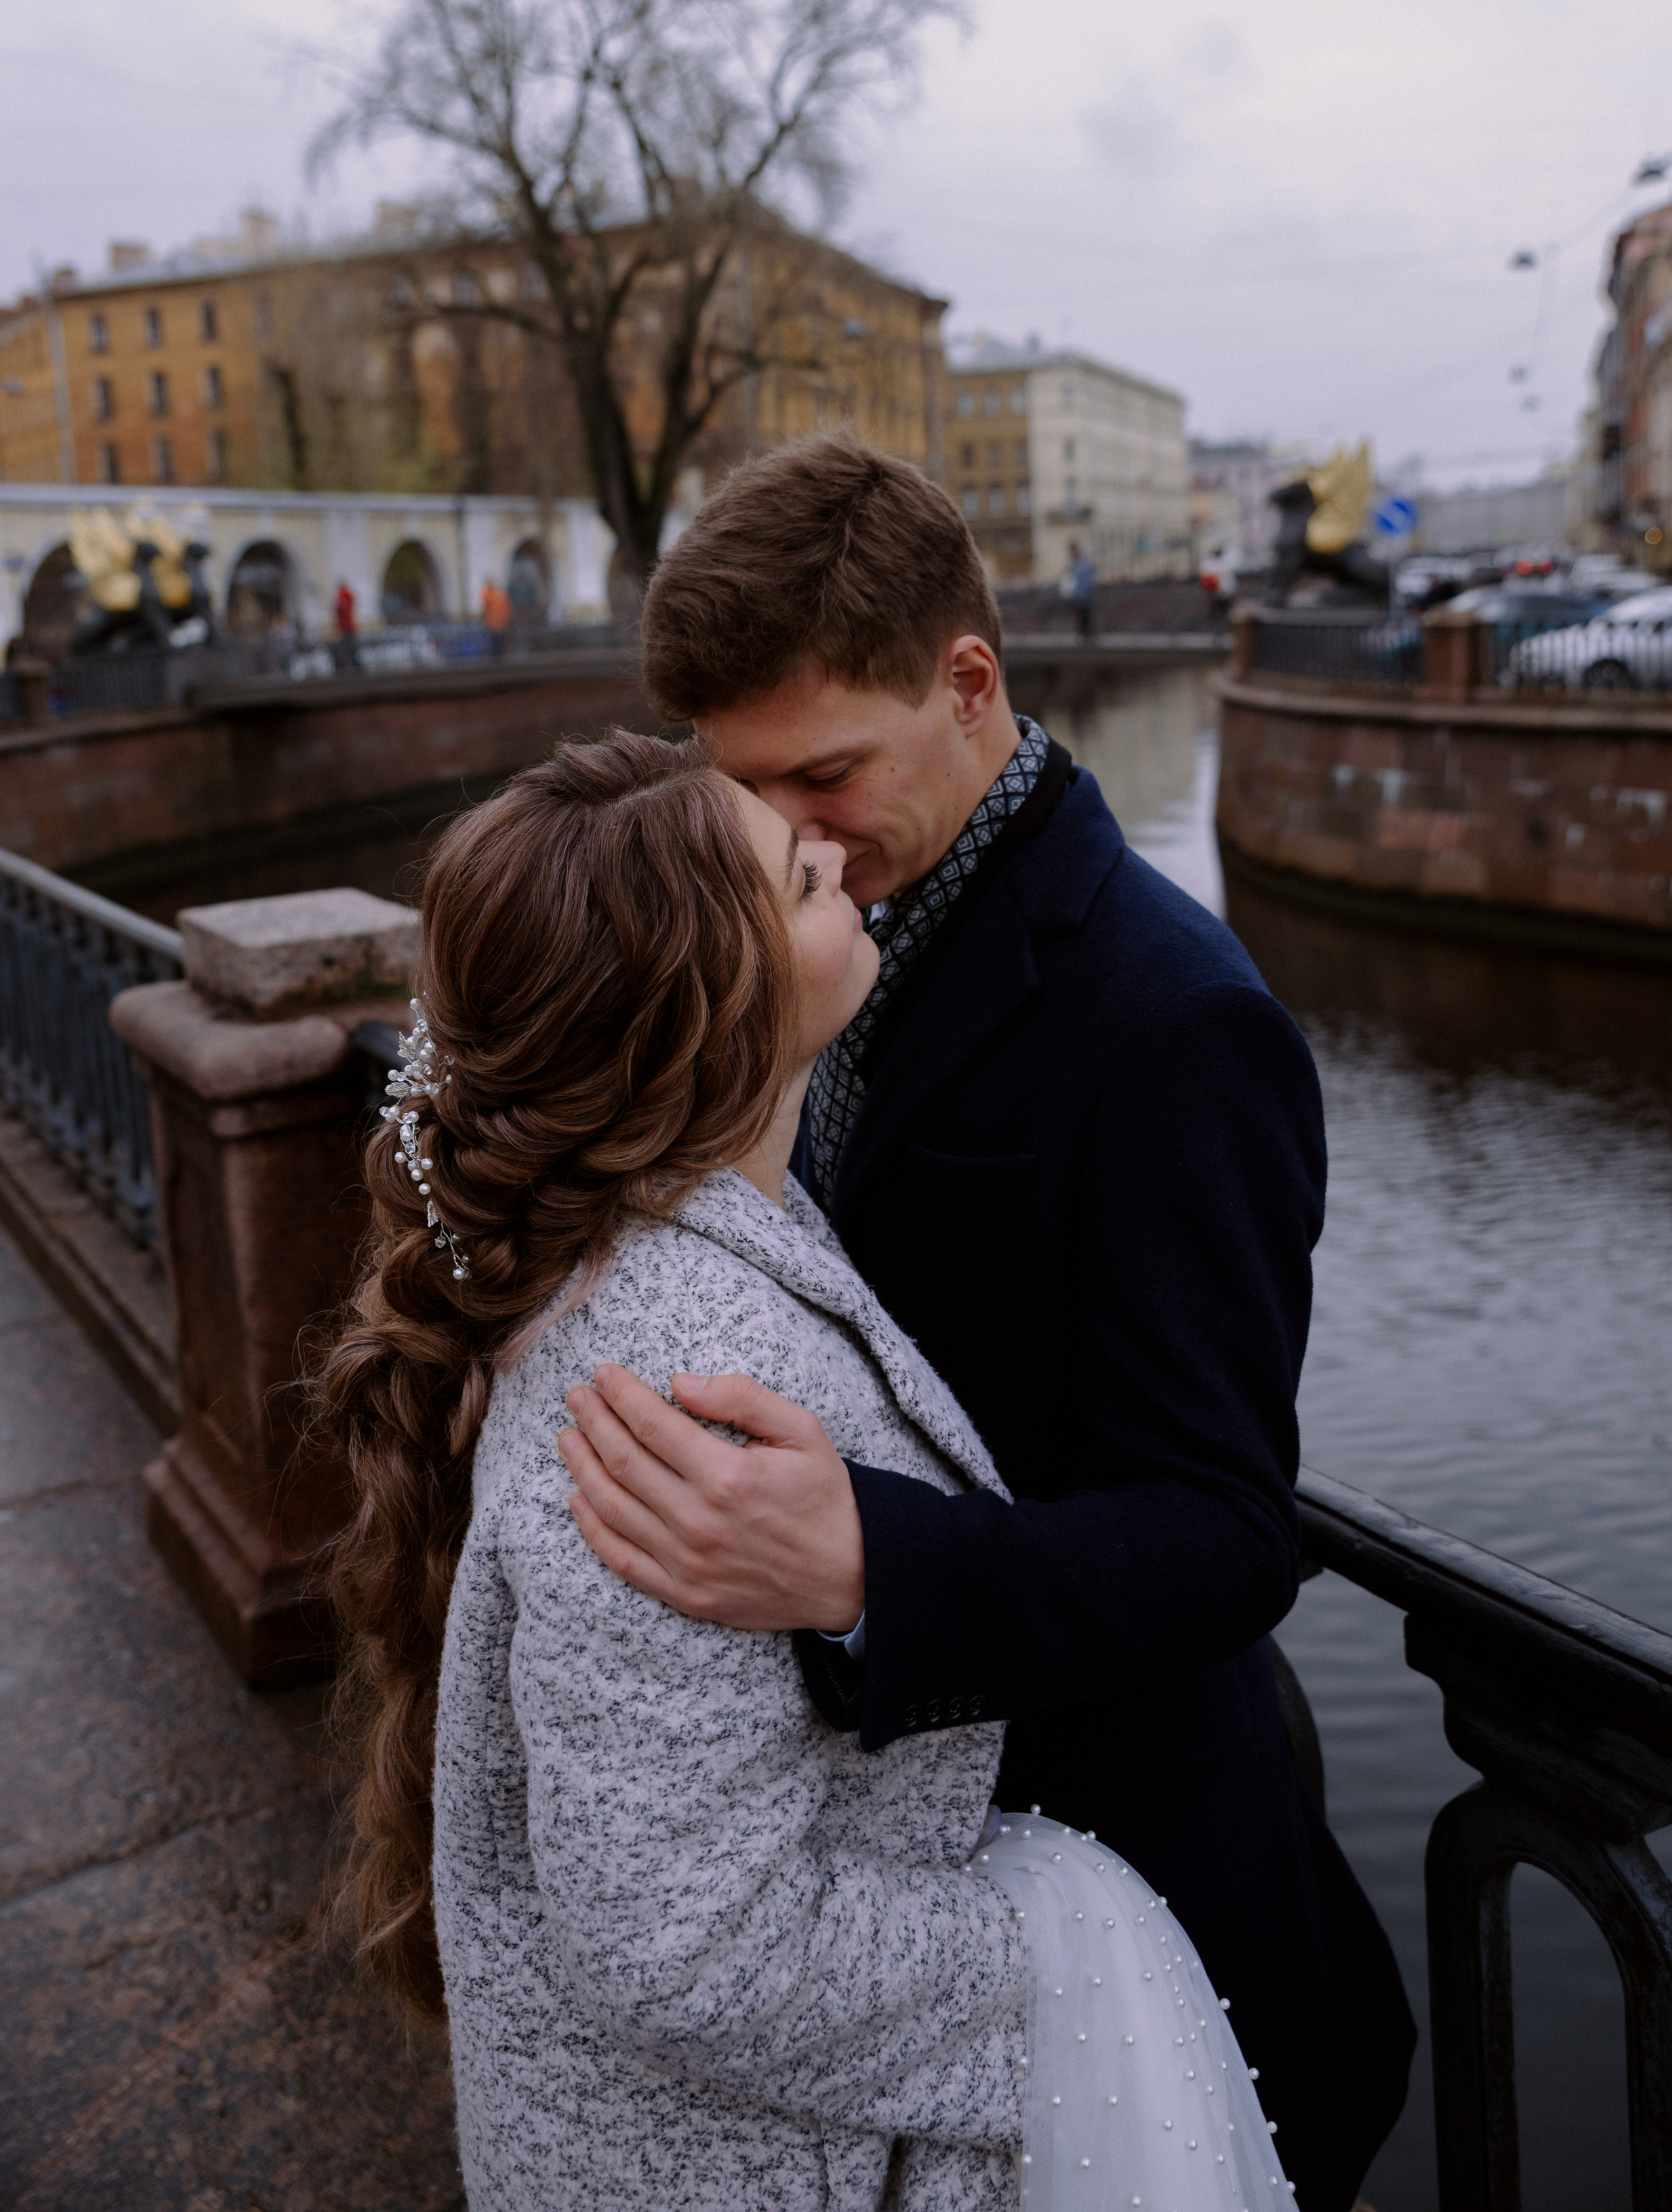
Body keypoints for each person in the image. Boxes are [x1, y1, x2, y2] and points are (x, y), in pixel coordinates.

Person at [557, 436, 1416, 2212]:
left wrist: (873, 1561)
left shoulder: (1176, 1018)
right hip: (883, 1913)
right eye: (746, 794)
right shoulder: (811, 927)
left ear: (971, 684)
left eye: (825, 775)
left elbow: (1228, 1531)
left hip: (1117, 1884)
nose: (783, 839)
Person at [318, 729, 1289, 2211]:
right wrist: (1064, 1956)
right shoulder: (672, 1392)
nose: (826, 848)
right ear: (716, 1000)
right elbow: (684, 1946)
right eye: (791, 875)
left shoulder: (681, 1237)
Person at [1060, 541, 1097, 639]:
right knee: (1082, 618)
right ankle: (1084, 636)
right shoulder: (1077, 564)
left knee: (1084, 617)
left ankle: (1086, 637)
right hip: (1079, 596)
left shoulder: (1081, 564)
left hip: (1082, 596)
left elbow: (1086, 581)